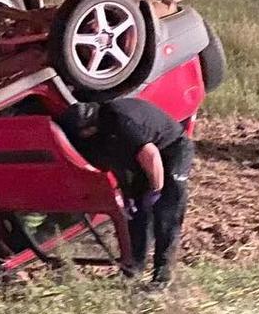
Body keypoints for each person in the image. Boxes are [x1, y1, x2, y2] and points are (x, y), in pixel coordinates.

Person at [56, 98, 194, 287]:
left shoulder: (119, 120)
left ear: (90, 126)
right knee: (137, 215)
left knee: (166, 212)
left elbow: (151, 154)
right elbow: (117, 166)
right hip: (140, 159)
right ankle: (133, 272)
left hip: (171, 149)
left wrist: (155, 190)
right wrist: (130, 195)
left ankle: (162, 278)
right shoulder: (93, 137)